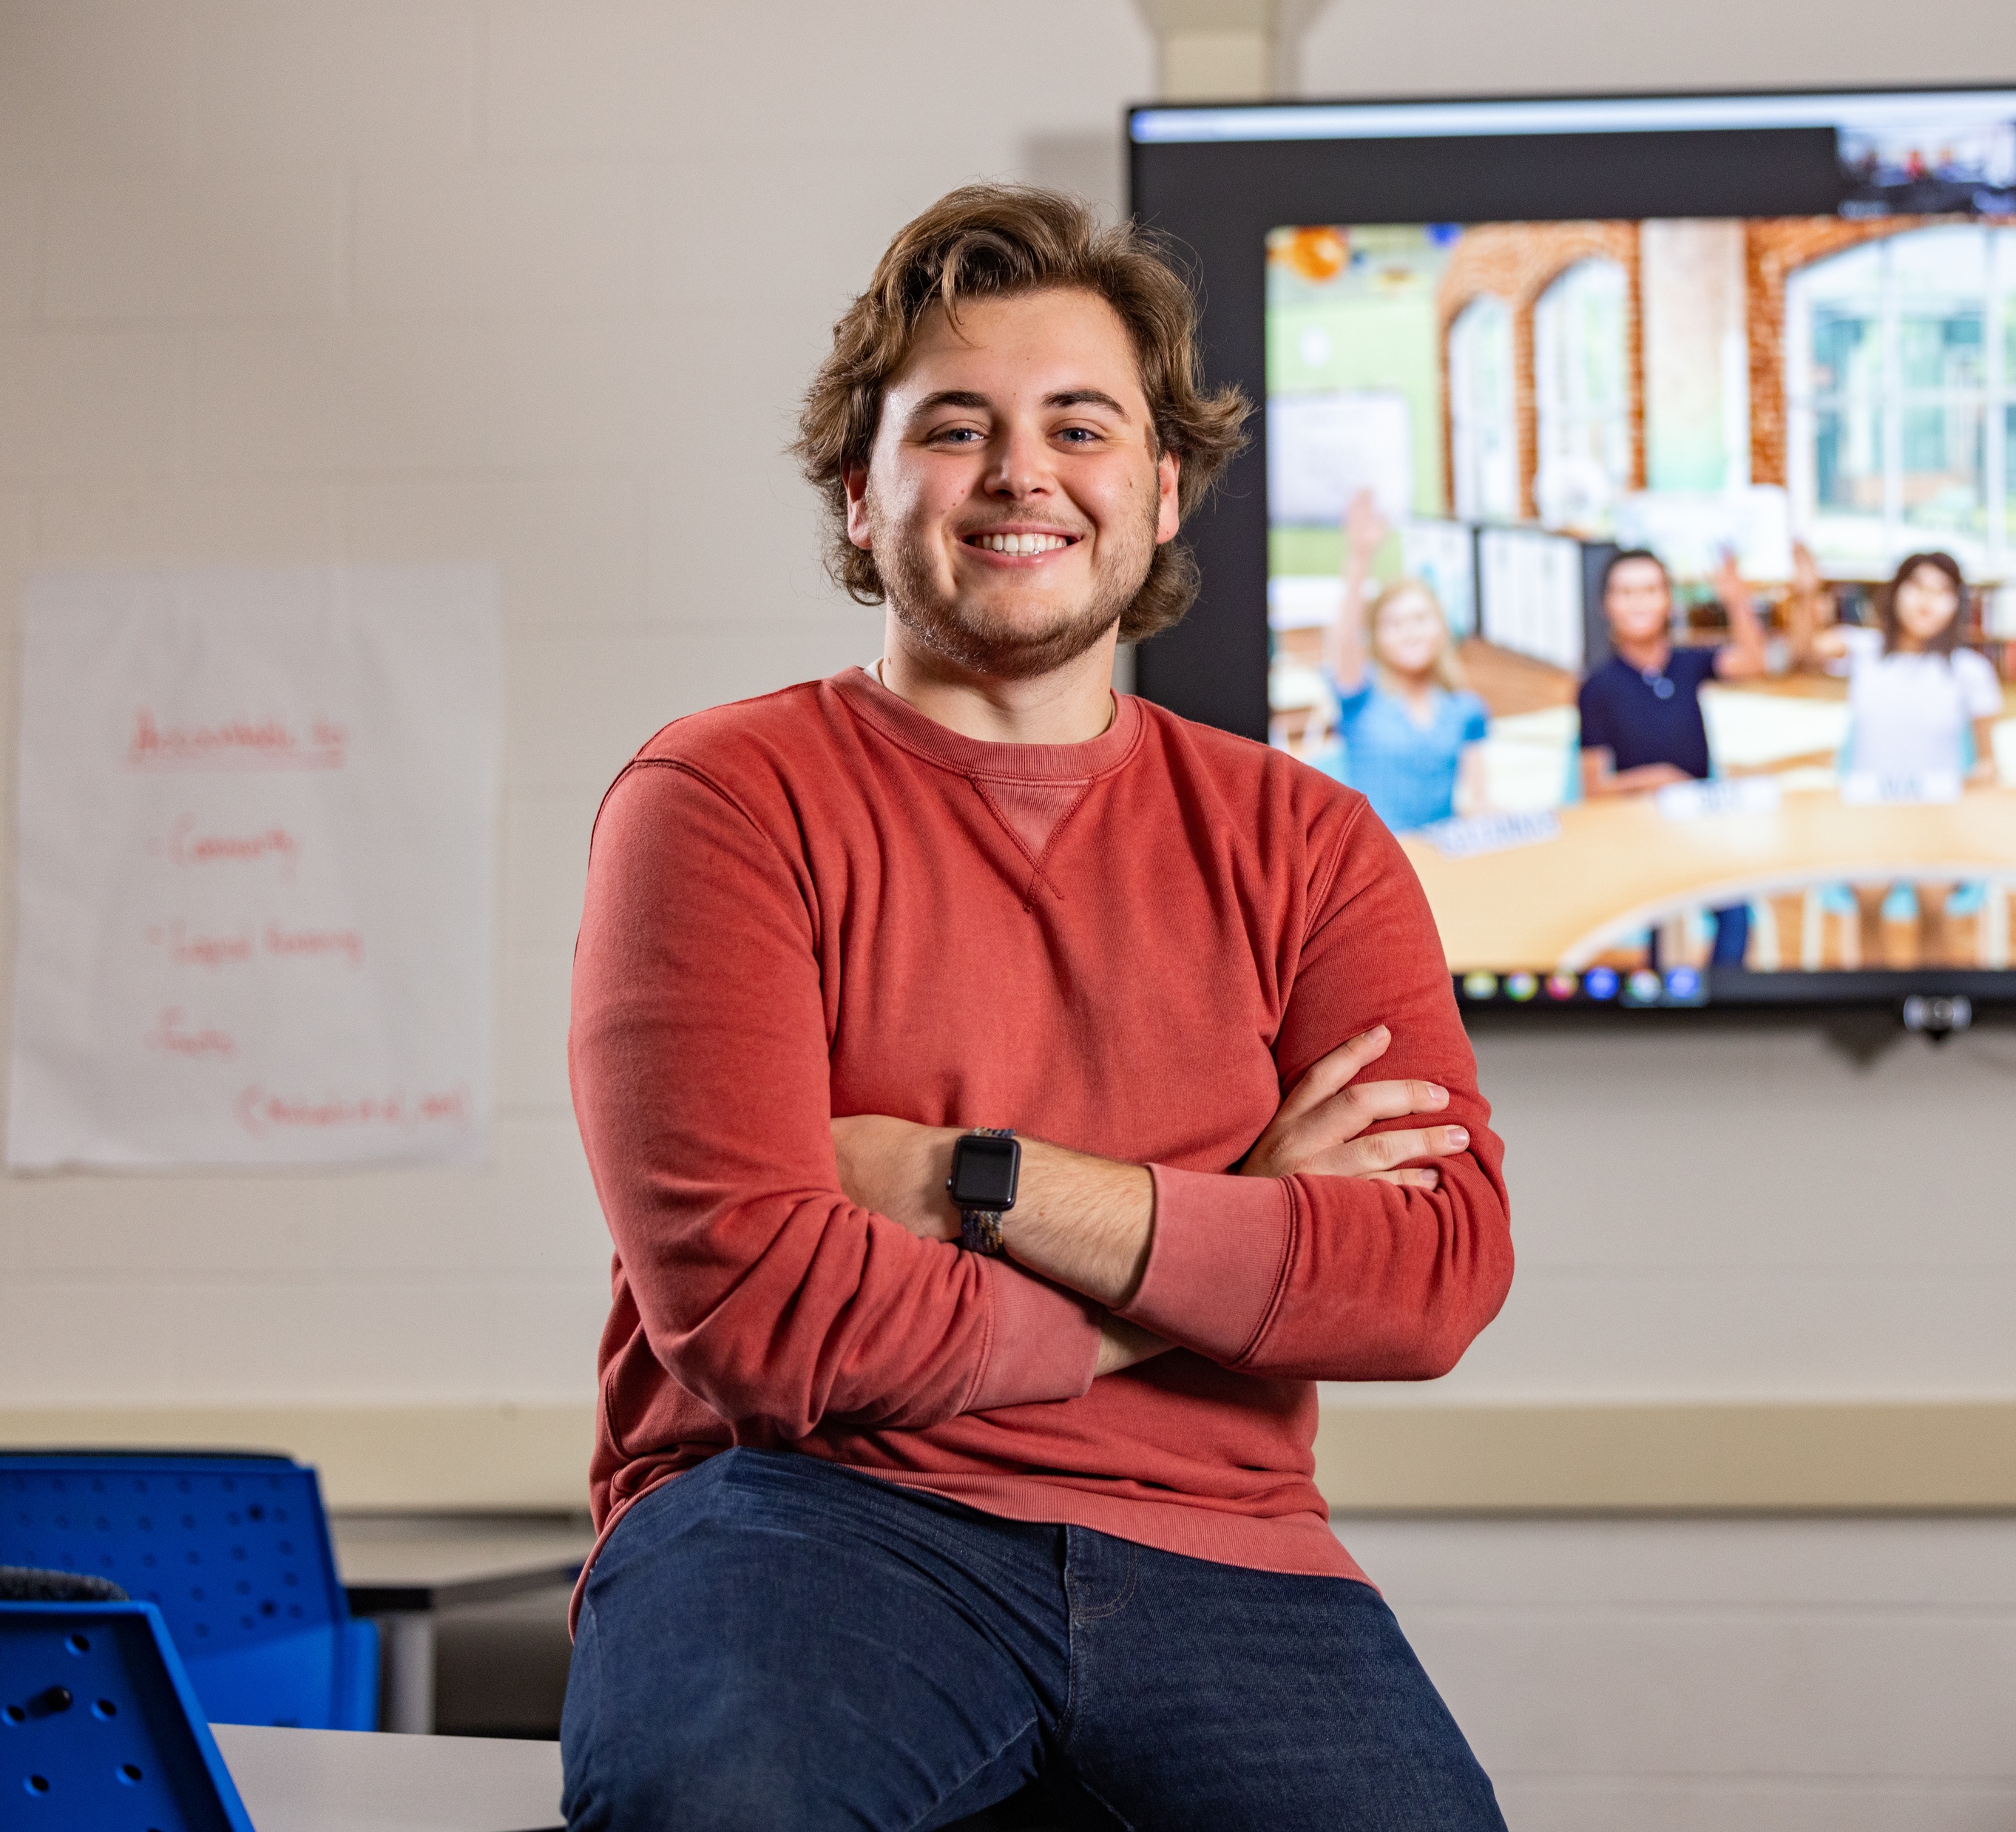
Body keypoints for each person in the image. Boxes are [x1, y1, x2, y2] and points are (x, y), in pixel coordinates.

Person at [561, 183, 1513, 1831]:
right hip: (804, 1510)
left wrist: (964, 1179)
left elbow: (1429, 1274)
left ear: (1156, 492)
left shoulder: (1306, 840)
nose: (1020, 472)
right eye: (954, 425)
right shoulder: (717, 795)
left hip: (1224, 1544)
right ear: (859, 499)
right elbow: (757, 1314)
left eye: (1079, 423)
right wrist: (1227, 1245)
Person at [1576, 546, 1770, 969]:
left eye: (1649, 590)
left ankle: (1719, 1010)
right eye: (1625, 592)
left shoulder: (1687, 664)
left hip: (1696, 825)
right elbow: (1594, 788)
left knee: (1736, 917)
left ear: (1668, 600)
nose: (1638, 601)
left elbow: (1753, 662)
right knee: (1661, 917)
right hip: (1639, 830)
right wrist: (1656, 779)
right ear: (1607, 605)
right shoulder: (1598, 687)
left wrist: (1737, 601)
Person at [1325, 486, 1489, 831]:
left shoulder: (1465, 708)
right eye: (1394, 623)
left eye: (1420, 619)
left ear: (1442, 629)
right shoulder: (1361, 696)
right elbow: (1344, 640)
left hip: (1437, 861)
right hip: (1371, 866)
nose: (1409, 632)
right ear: (1377, 639)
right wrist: (1359, 557)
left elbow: (1479, 802)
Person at [1816, 550, 2000, 797]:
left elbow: (1987, 765)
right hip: (1864, 809)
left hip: (1938, 814)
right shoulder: (1864, 648)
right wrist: (1806, 594)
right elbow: (1807, 652)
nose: (1927, 599)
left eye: (1942, 591)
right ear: (1895, 593)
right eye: (1917, 586)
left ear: (1958, 604)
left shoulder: (1971, 670)